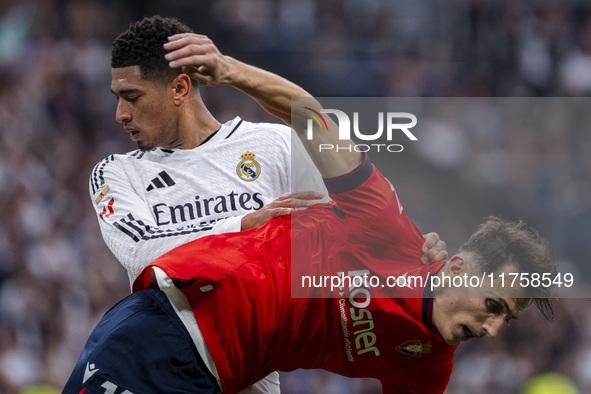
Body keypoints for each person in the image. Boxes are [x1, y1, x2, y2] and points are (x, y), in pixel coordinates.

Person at [86, 15, 448, 394]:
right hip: (162, 373)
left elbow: (362, 224)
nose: (120, 115)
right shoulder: (117, 173)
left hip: (251, 380)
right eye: (118, 99)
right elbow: (142, 250)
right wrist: (242, 225)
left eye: (132, 97)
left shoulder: (274, 147)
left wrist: (416, 254)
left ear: (179, 88)